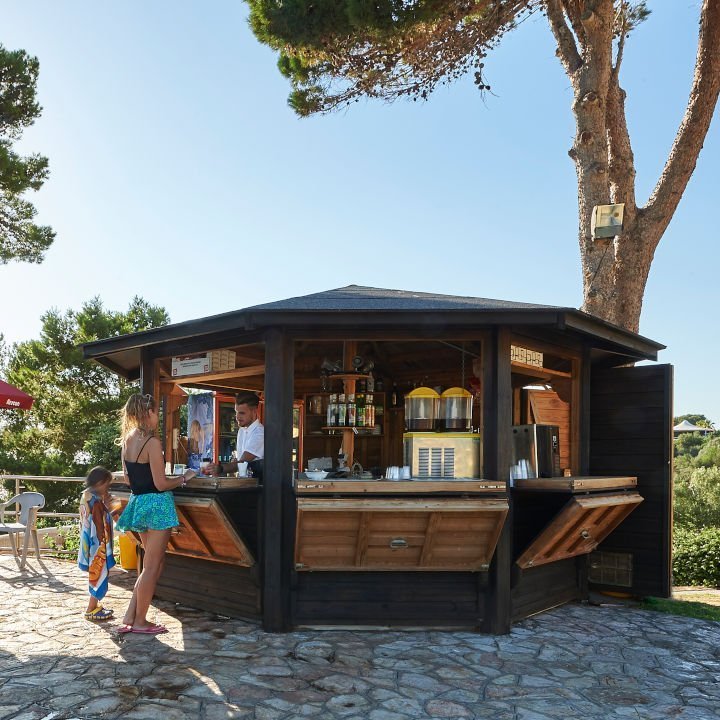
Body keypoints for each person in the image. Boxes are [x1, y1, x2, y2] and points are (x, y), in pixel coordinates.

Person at [115, 392, 196, 634]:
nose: (157, 418)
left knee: (152, 564)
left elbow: (129, 480)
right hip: (157, 507)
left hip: (139, 503)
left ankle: (131, 615)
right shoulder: (151, 443)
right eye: (155, 413)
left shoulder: (127, 440)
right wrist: (184, 478)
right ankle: (140, 621)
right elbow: (161, 484)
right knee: (152, 567)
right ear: (148, 413)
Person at [77, 466, 119, 622]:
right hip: (97, 545)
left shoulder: (86, 495)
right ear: (100, 482)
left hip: (89, 542)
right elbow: (100, 525)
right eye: (107, 484)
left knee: (97, 574)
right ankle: (91, 609)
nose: (108, 488)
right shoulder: (96, 502)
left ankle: (94, 606)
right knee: (98, 574)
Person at [208, 392, 263, 477]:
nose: (237, 417)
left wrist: (220, 468)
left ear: (254, 411)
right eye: (236, 412)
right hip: (246, 482)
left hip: (259, 483)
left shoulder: (260, 433)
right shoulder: (241, 431)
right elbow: (239, 462)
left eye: (242, 413)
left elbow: (242, 462)